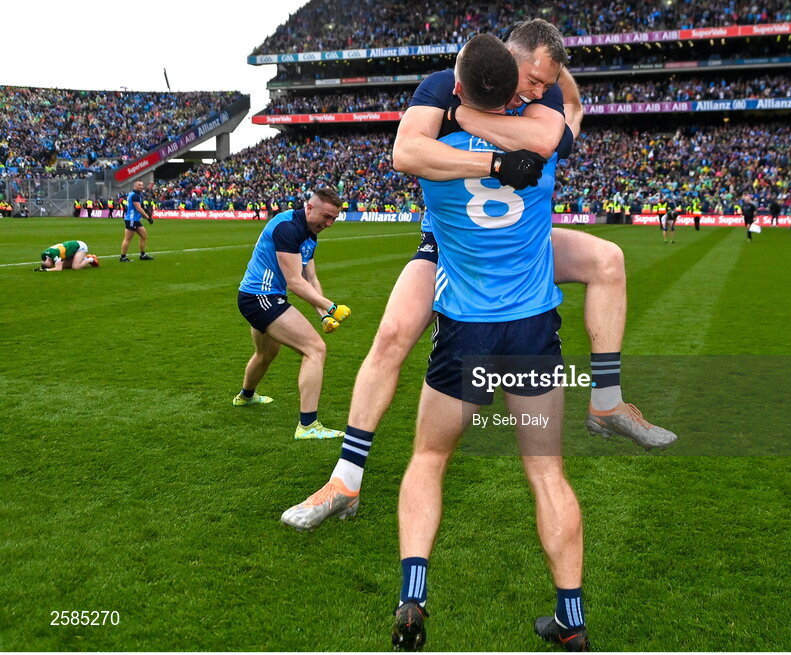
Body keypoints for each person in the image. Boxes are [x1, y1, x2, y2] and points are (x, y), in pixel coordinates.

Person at [280, 19, 674, 532]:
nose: (539, 91)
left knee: (608, 260)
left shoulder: (522, 96)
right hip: (447, 247)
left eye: (547, 83)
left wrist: (466, 115)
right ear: (508, 59)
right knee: (393, 336)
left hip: (521, 247)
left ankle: (606, 404)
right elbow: (405, 152)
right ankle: (345, 481)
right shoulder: (445, 83)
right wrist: (486, 150)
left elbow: (547, 134)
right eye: (534, 79)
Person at [384, 34, 589, 652]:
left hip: (465, 329)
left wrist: (457, 119)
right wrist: (546, 98)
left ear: (462, 88)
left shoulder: (434, 150)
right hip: (531, 328)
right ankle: (572, 620)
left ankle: (413, 594)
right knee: (547, 472)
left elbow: (404, 151)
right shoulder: (542, 140)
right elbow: (566, 117)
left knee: (428, 459)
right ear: (519, 87)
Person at [234, 187, 352, 440]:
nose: (330, 224)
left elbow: (310, 277)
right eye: (327, 216)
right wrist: (332, 306)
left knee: (267, 353)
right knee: (315, 349)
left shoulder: (309, 232)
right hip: (261, 297)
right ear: (309, 208)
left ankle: (245, 396)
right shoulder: (288, 228)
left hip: (258, 296)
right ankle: (308, 426)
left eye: (334, 219)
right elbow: (295, 282)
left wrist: (323, 315)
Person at [120, 180, 154, 262]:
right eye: (139, 185)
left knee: (144, 235)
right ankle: (123, 257)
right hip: (132, 219)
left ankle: (143, 255)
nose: (141, 186)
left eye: (142, 185)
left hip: (135, 219)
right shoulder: (135, 195)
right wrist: (148, 217)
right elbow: (138, 208)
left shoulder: (134, 194)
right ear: (135, 186)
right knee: (128, 239)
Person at [34, 240, 99, 271]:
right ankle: (83, 259)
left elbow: (59, 269)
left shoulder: (54, 255)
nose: (53, 265)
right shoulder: (44, 255)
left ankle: (90, 259)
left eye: (51, 265)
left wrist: (46, 270)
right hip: (69, 251)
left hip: (79, 247)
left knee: (76, 267)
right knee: (66, 266)